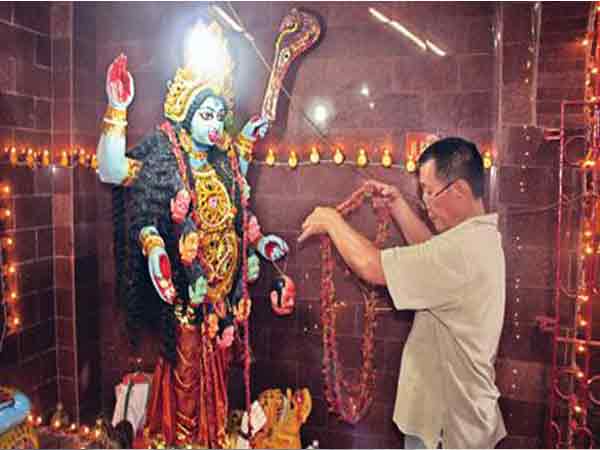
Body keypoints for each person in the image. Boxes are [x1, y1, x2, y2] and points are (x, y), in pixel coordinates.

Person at [96, 22, 289, 447]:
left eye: (220, 115)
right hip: (187, 295)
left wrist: (259, 246)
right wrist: (117, 107)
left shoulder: (223, 161)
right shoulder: (166, 155)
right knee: (186, 378)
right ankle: (183, 441)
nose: (216, 124)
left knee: (217, 378)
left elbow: (240, 212)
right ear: (186, 114)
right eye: (207, 114)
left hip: (222, 298)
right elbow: (111, 170)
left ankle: (211, 436)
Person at [299, 137, 506, 449]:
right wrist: (398, 206)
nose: (425, 202)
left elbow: (373, 266)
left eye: (428, 190)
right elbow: (431, 253)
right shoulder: (477, 239)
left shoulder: (462, 252)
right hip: (451, 418)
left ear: (459, 190)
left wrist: (331, 220)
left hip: (447, 429)